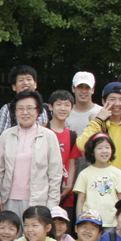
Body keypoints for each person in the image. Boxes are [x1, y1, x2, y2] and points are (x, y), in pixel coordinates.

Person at [0, 89, 64, 219]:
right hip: (8, 201)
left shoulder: (48, 136)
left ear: (38, 111)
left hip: (38, 201)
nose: (25, 112)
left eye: (30, 108)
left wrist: (52, 205)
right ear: (15, 111)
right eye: (20, 108)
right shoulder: (6, 135)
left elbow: (55, 174)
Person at [74, 133, 121, 232]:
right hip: (89, 222)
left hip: (111, 222)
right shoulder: (84, 174)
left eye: (107, 147)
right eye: (99, 148)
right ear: (92, 151)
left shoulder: (118, 173)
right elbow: (80, 201)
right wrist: (79, 221)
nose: (104, 151)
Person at [47, 90, 81, 221]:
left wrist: (69, 185)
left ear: (72, 108)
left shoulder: (72, 135)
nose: (63, 108)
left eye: (67, 105)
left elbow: (72, 162)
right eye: (59, 104)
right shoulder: (43, 131)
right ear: (51, 107)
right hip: (45, 190)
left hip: (66, 192)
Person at [0, 65, 50, 134]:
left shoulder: (43, 109)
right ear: (14, 86)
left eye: (29, 79)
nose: (25, 83)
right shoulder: (7, 110)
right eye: (21, 80)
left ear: (35, 84)